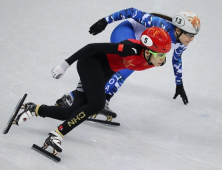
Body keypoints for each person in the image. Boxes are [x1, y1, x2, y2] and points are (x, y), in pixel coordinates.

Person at [13, 27, 171, 154]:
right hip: (91, 62)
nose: (163, 60)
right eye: (160, 55)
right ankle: (57, 134)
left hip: (105, 70)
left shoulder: (154, 59)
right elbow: (92, 47)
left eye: (165, 56)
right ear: (149, 51)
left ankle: (34, 109)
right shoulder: (130, 49)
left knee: (72, 112)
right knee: (97, 103)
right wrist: (65, 65)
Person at [57, 8, 201, 118]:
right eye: (190, 35)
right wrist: (105, 21)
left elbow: (177, 60)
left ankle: (89, 98)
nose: (192, 39)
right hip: (127, 31)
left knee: (120, 67)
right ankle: (79, 97)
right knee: (127, 65)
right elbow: (131, 11)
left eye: (194, 35)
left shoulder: (182, 42)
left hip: (141, 45)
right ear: (178, 30)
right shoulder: (160, 24)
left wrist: (179, 84)